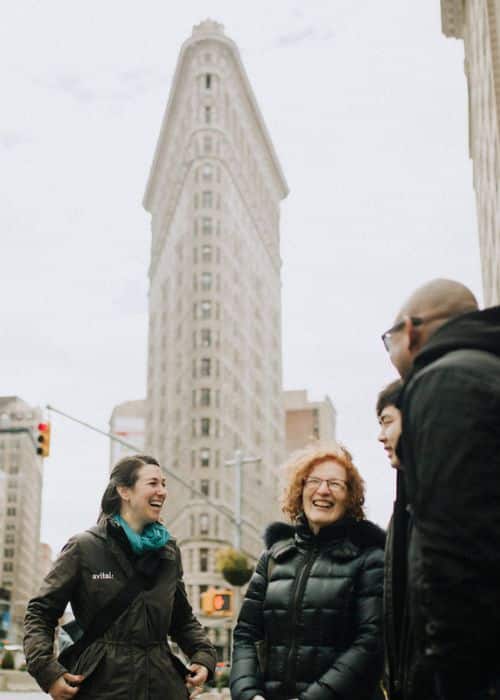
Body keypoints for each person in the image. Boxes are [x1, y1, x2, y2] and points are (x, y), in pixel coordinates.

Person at [381, 278, 500, 700]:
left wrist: (450, 677)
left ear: (410, 331)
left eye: (388, 337)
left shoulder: (445, 381)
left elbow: (454, 546)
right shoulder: (485, 370)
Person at [24, 454, 216, 700]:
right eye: (153, 483)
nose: (162, 491)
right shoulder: (84, 547)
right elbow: (40, 613)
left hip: (163, 687)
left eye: (164, 484)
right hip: (100, 688)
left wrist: (203, 655)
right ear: (124, 491)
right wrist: (48, 672)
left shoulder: (168, 552)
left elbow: (182, 619)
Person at [230, 442, 385, 700]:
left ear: (350, 497)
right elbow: (246, 634)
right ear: (299, 490)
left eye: (335, 484)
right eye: (314, 481)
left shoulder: (370, 559)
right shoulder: (274, 557)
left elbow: (369, 644)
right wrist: (248, 694)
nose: (323, 490)